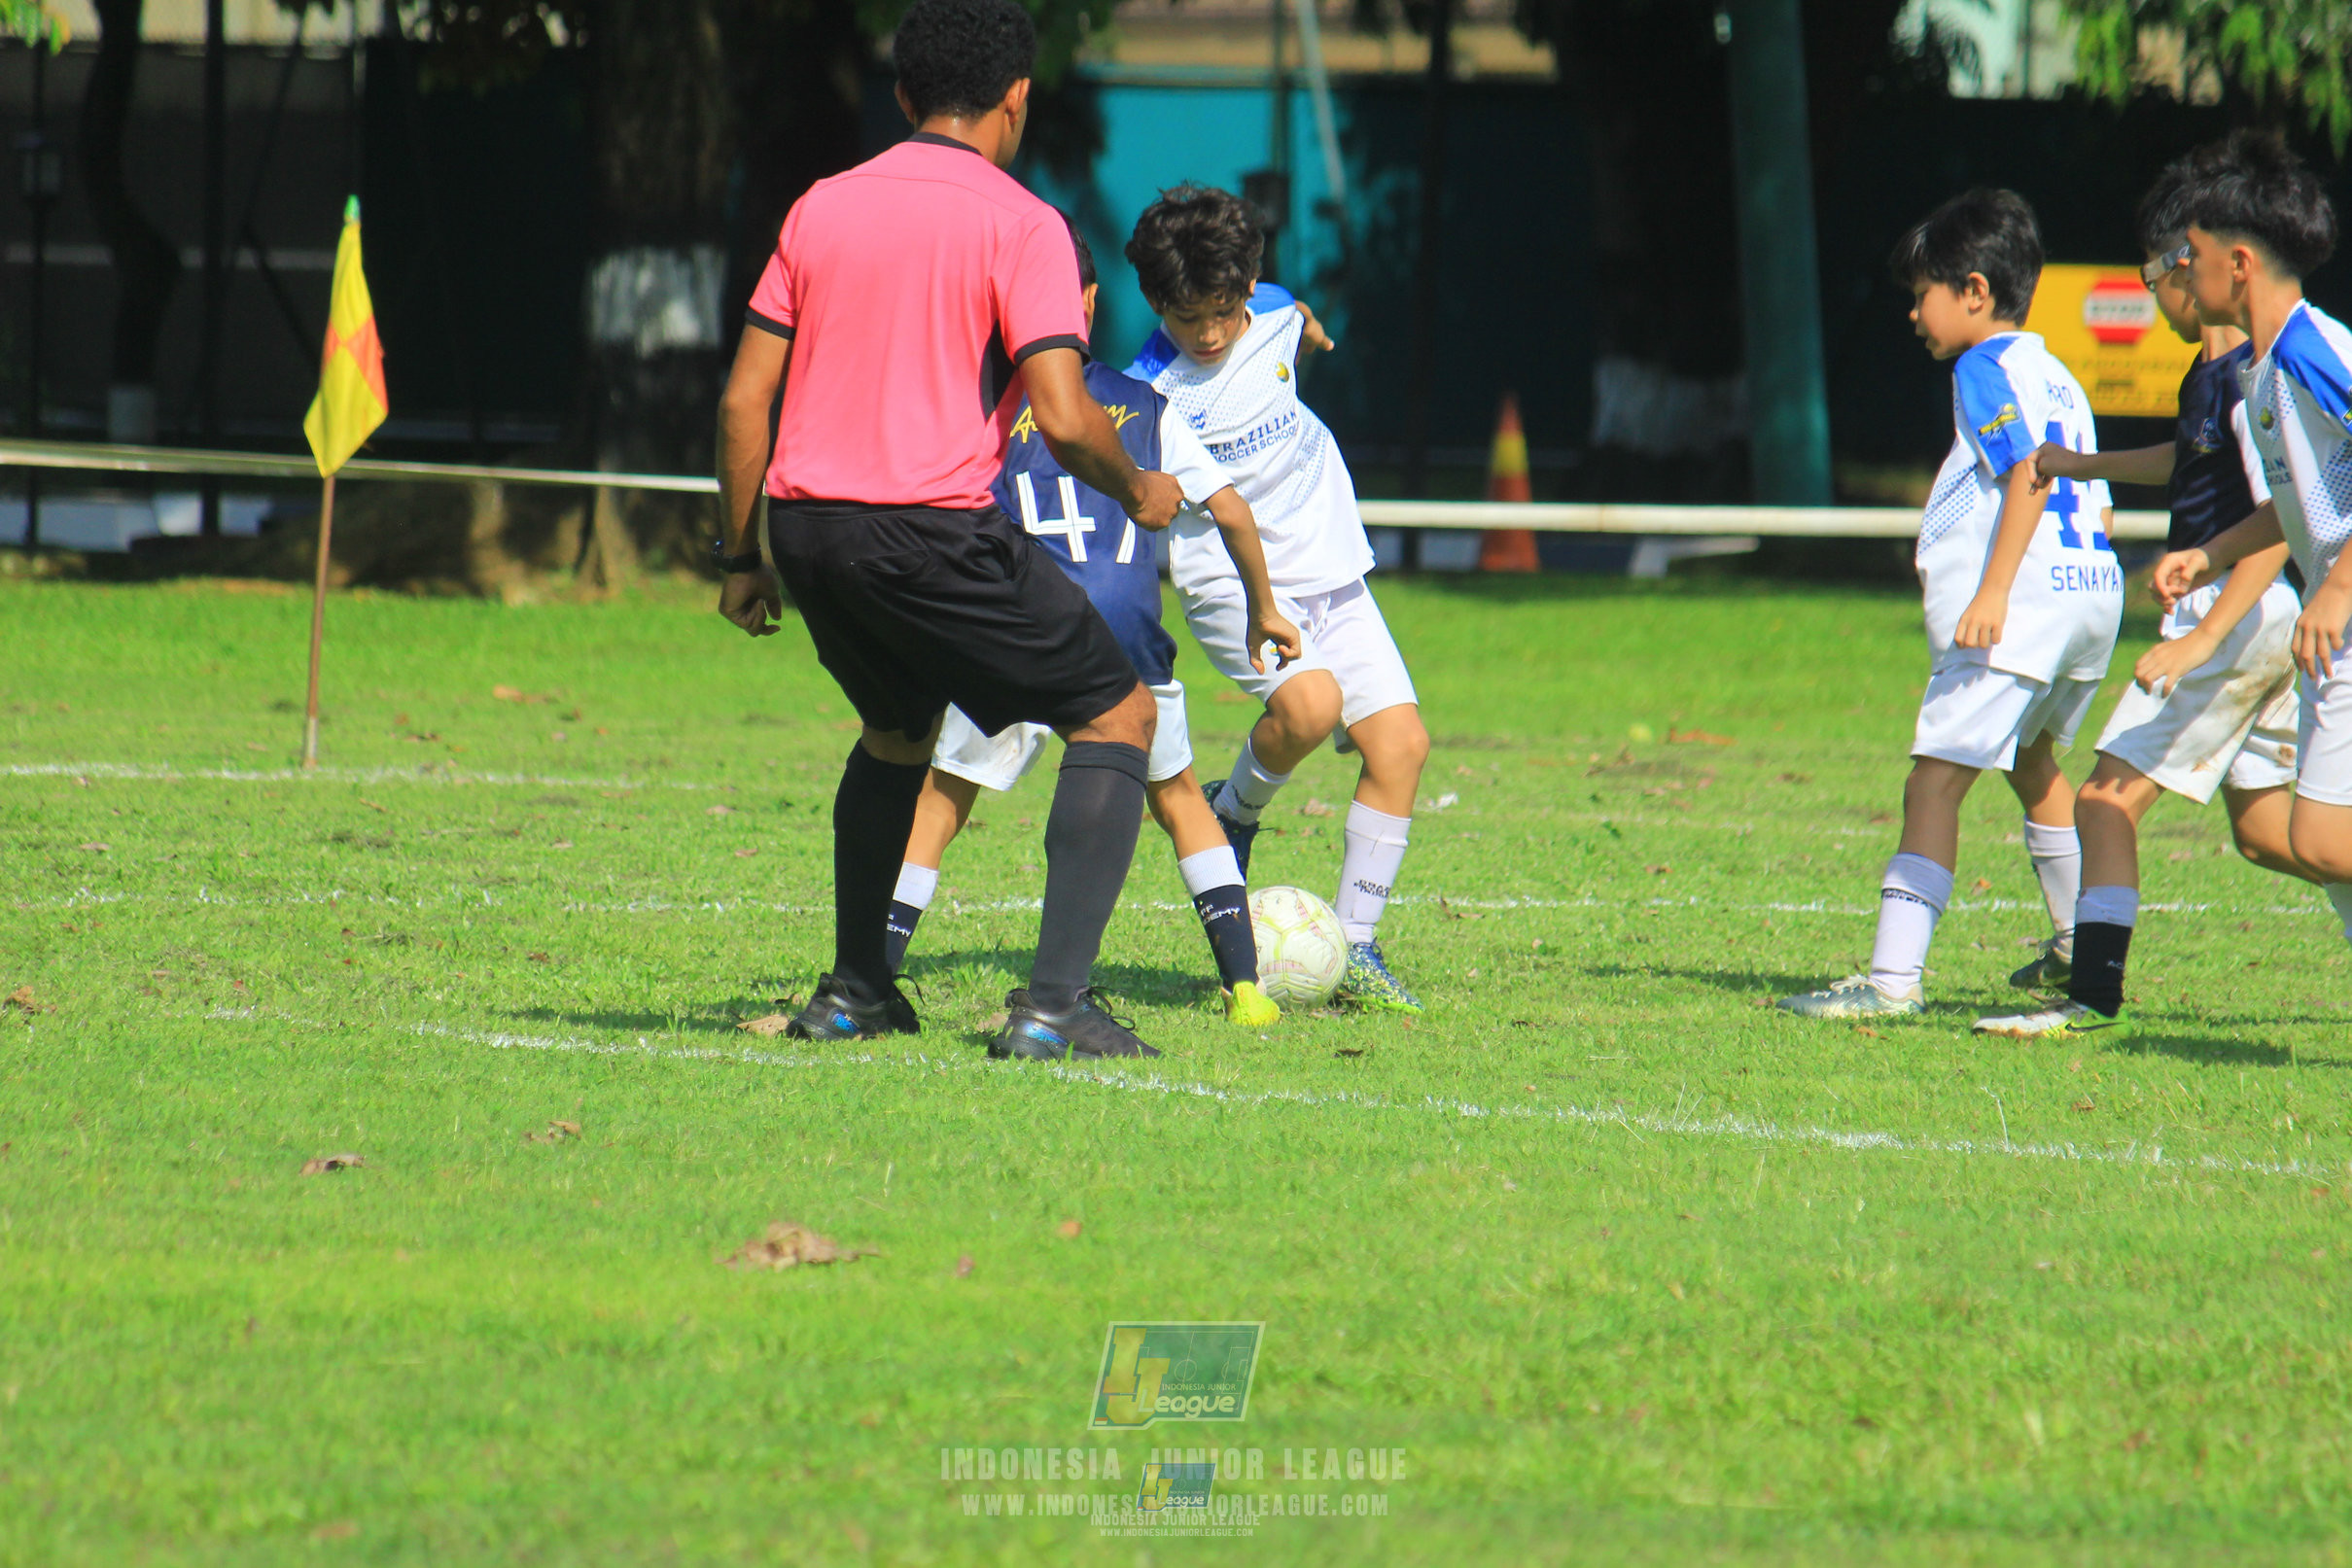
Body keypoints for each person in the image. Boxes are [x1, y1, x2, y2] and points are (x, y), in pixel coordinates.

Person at [712, 0, 1187, 1061]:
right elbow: (1064, 417)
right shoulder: (1021, 223)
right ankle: (1054, 1008)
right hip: (927, 525)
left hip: (809, 529)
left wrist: (742, 555)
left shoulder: (821, 206)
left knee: (897, 728)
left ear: (902, 97)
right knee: (1115, 716)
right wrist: (1139, 488)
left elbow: (747, 401)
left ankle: (855, 992)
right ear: (1017, 98)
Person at [884, 220, 1304, 1028]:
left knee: (942, 799)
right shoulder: (1150, 406)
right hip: (1123, 639)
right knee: (1180, 796)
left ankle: (880, 965)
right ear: (1088, 301)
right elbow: (1231, 510)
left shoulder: (984, 408)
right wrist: (1264, 609)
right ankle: (1245, 986)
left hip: (1012, 629)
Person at [1978, 156, 2311, 1040]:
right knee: (2273, 835)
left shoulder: (2253, 378)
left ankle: (2089, 992)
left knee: (2103, 800)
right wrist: (2081, 465)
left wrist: (2197, 641)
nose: (2158, 295)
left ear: (2186, 267)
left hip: (2238, 617)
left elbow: (2280, 522)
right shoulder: (2213, 377)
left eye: (2153, 277)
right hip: (2259, 620)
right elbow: (2186, 461)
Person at [1779, 189, 2122, 1021]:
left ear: (1972, 291)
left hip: (2024, 608)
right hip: (2088, 596)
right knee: (2033, 763)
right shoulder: (2057, 374)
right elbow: (2094, 495)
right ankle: (2078, 941)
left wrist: (1994, 589)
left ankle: (1890, 980)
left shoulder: (1982, 368)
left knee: (1931, 784)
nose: (1911, 312)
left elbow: (2026, 475)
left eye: (1921, 291)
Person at [1124, 185, 1434, 1015]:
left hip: (1330, 564)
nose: (1211, 333)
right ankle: (1233, 813)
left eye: (1222, 311)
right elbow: (1214, 510)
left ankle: (1358, 945)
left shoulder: (1265, 307)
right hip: (1232, 580)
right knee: (1309, 706)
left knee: (1400, 745)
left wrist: (1309, 324)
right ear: (1156, 303)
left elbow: (1286, 308)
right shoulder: (1150, 395)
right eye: (1188, 318)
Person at [2145, 131, 2352, 956]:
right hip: (2328, 619)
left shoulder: (2309, 351)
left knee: (2320, 840)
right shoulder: (2262, 371)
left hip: (2340, 612)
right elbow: (2301, 504)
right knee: (2316, 846)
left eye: (2187, 253)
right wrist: (2213, 551)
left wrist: (2335, 589)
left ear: (2236, 263)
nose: (2179, 271)